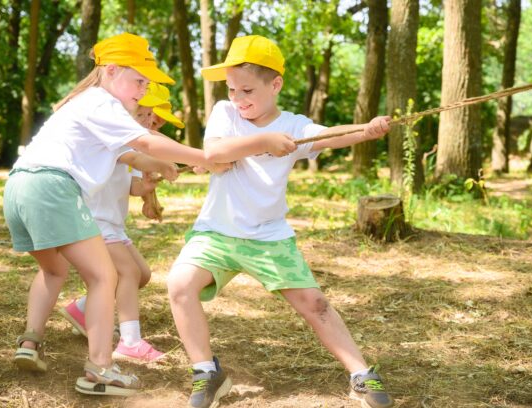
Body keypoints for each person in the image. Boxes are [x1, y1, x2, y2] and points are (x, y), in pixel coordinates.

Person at [166, 35, 394, 408]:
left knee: (314, 303)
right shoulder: (226, 113)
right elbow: (214, 152)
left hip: (269, 237)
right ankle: (207, 371)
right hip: (217, 232)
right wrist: (265, 141)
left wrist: (365, 129)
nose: (239, 98)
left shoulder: (294, 125)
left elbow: (329, 137)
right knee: (179, 284)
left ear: (276, 85)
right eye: (232, 89)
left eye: (248, 90)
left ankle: (360, 374)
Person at [3, 32, 228, 396]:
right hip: (53, 187)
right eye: (139, 80)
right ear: (110, 71)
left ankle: (29, 342)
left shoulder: (84, 103)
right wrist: (204, 157)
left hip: (19, 186)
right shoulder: (102, 102)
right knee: (105, 276)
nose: (143, 89)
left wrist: (168, 166)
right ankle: (100, 369)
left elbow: (134, 154)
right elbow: (143, 141)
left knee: (53, 270)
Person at [59, 82, 188, 364]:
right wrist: (162, 163)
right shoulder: (113, 138)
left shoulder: (126, 144)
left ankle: (82, 309)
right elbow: (138, 158)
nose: (147, 123)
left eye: (149, 118)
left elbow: (124, 183)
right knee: (127, 272)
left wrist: (143, 187)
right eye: (141, 116)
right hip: (94, 221)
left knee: (140, 274)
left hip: (111, 224)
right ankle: (130, 342)